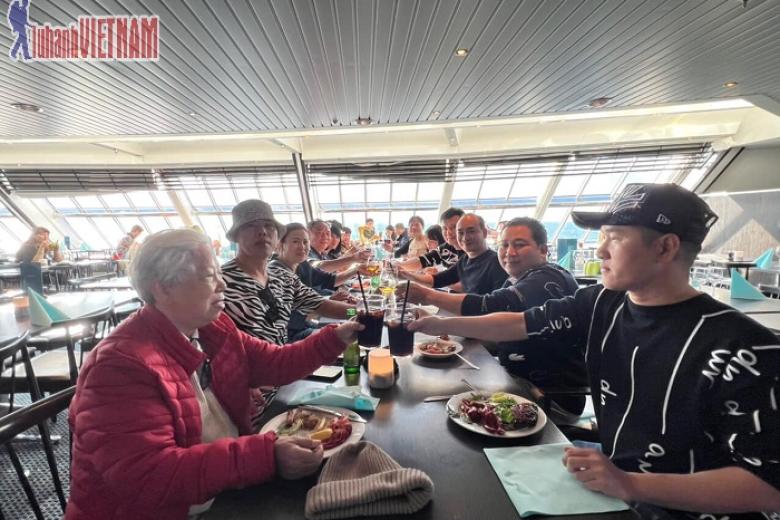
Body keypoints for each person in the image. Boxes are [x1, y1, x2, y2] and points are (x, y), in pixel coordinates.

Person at [409, 184, 780, 518]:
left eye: (615, 238)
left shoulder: (744, 346)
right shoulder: (604, 301)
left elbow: (769, 485)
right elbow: (519, 322)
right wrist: (437, 325)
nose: (600, 249)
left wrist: (630, 484)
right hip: (619, 493)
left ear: (665, 247)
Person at [66, 228, 363, 519]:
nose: (222, 284)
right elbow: (150, 476)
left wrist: (337, 336)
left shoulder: (210, 327)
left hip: (222, 488)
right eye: (209, 276)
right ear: (163, 288)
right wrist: (265, 456)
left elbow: (275, 362)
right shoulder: (118, 366)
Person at [402, 217, 583, 411]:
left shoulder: (546, 279)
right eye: (504, 245)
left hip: (546, 395)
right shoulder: (517, 278)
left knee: (435, 403)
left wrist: (428, 297)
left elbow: (491, 306)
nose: (509, 252)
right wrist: (440, 325)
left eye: (519, 245)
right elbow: (497, 323)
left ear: (543, 250)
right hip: (513, 375)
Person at [220, 201, 354, 346]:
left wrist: (361, 313)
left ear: (276, 237)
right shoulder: (219, 283)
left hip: (286, 356)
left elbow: (324, 307)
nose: (262, 231)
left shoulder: (283, 277)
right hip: (263, 358)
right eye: (251, 226)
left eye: (269, 226)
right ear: (236, 235)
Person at [270, 223, 361, 340]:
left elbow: (330, 281)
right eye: (295, 241)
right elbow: (322, 309)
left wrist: (360, 312)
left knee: (351, 328)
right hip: (289, 338)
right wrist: (362, 313)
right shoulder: (278, 273)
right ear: (279, 244)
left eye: (305, 242)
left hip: (308, 325)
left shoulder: (302, 265)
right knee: (349, 336)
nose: (302, 246)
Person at [400, 213, 507, 295]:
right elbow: (438, 279)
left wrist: (428, 297)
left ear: (484, 233)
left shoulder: (496, 262)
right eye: (460, 232)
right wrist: (407, 275)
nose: (465, 237)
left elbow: (488, 303)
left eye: (471, 231)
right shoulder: (465, 260)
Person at [396, 207, 465, 273]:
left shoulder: (469, 252)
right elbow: (423, 260)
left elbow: (458, 278)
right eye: (445, 228)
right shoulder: (444, 248)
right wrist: (398, 265)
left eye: (454, 227)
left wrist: (438, 274)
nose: (448, 232)